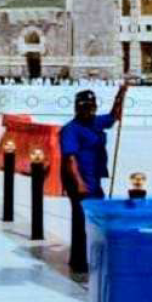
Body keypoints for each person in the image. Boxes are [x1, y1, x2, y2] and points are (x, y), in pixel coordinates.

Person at [60, 83, 130, 283]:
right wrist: (79, 183)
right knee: (81, 221)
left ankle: (94, 257)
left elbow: (113, 117)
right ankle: (79, 262)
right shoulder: (71, 129)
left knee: (96, 219)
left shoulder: (95, 123)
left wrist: (120, 95)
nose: (89, 110)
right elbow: (70, 159)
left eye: (91, 107)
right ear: (78, 108)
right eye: (85, 107)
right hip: (79, 181)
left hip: (94, 179)